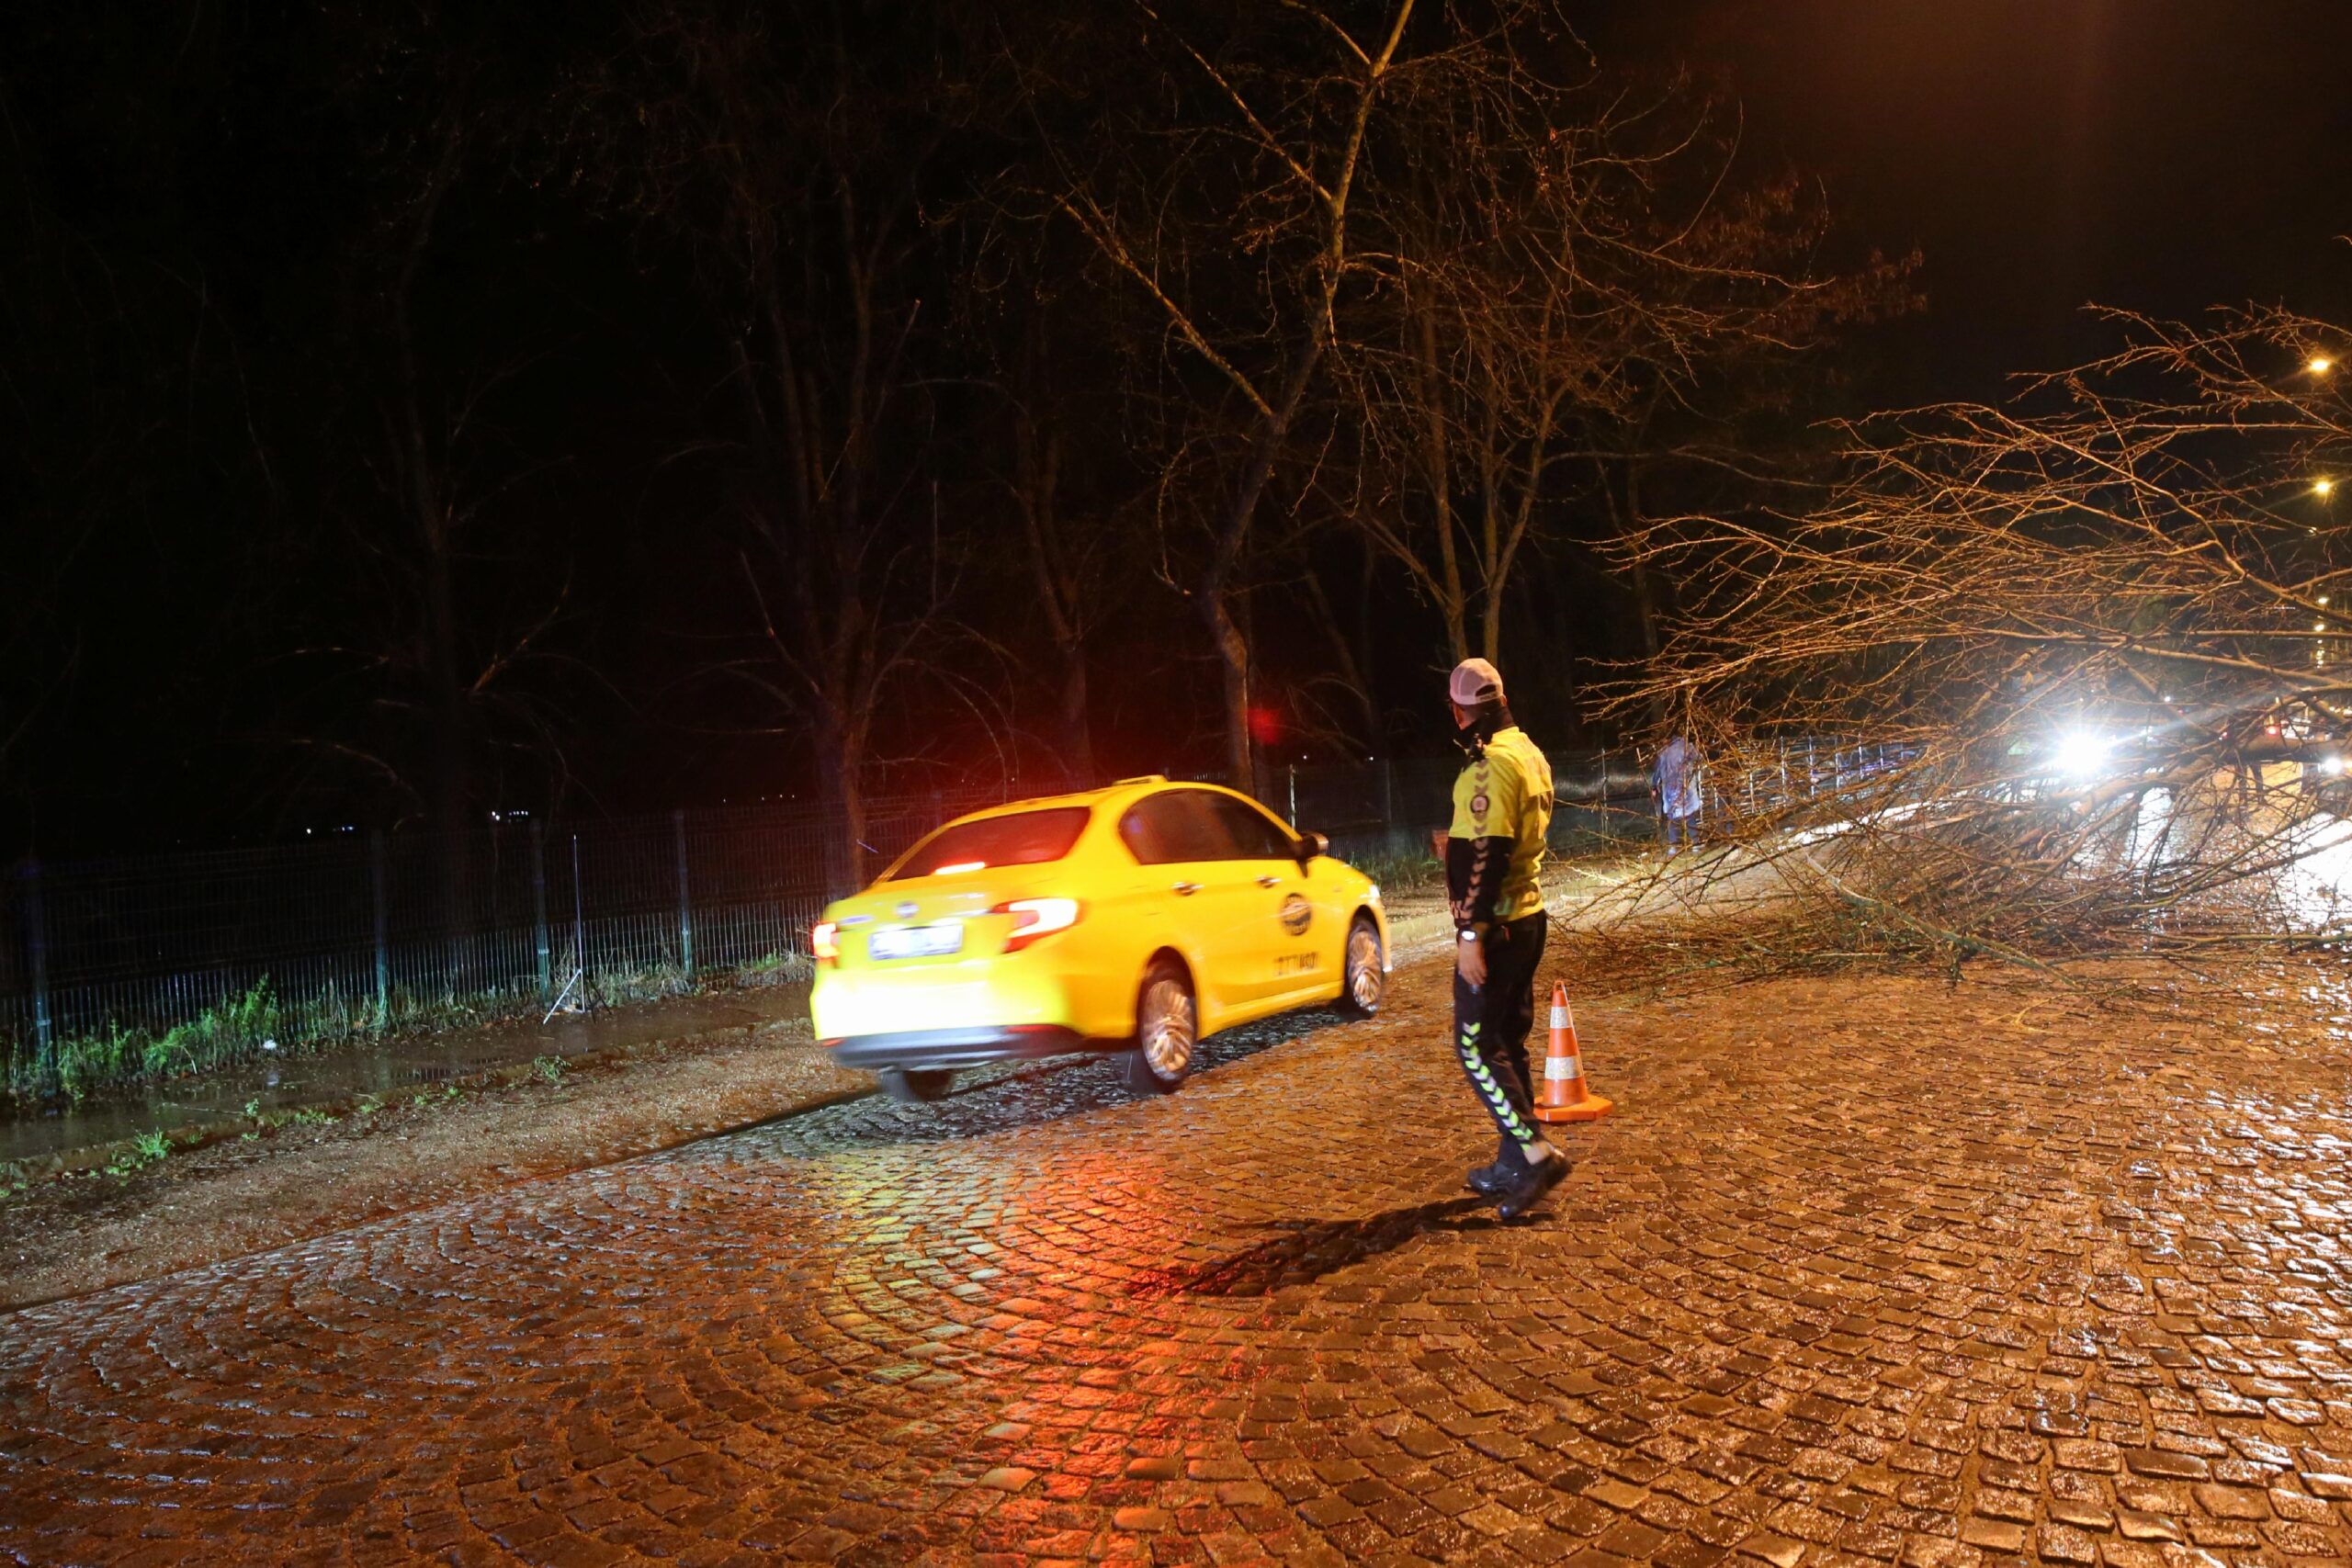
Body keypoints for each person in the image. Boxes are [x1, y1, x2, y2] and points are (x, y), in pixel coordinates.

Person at [1437, 658, 1566, 1219]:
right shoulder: (1529, 754)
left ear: (1461, 711)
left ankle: (1536, 1157)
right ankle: (1512, 1161)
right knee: (1508, 1043)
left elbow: (1487, 857)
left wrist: (1471, 932)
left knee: (1476, 1048)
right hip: (1529, 917)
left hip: (1499, 926)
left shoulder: (1485, 770)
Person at [1652, 732, 1702, 852]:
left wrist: (1654, 785)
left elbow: (1658, 770)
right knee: (1689, 816)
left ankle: (1673, 846)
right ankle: (1696, 843)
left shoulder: (1664, 752)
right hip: (1687, 788)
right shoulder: (1687, 747)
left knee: (1672, 818)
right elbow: (1699, 759)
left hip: (1671, 789)